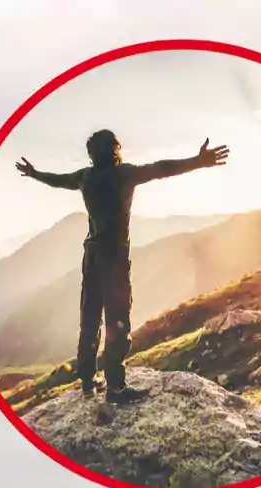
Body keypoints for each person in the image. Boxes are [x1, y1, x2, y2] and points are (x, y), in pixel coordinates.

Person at [15, 131, 229, 404]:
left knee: (90, 316)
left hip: (90, 254)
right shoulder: (123, 174)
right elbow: (161, 169)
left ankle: (87, 380)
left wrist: (34, 174)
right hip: (113, 256)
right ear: (115, 148)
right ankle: (115, 387)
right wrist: (198, 162)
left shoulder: (85, 177)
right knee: (118, 318)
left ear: (92, 154)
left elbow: (58, 181)